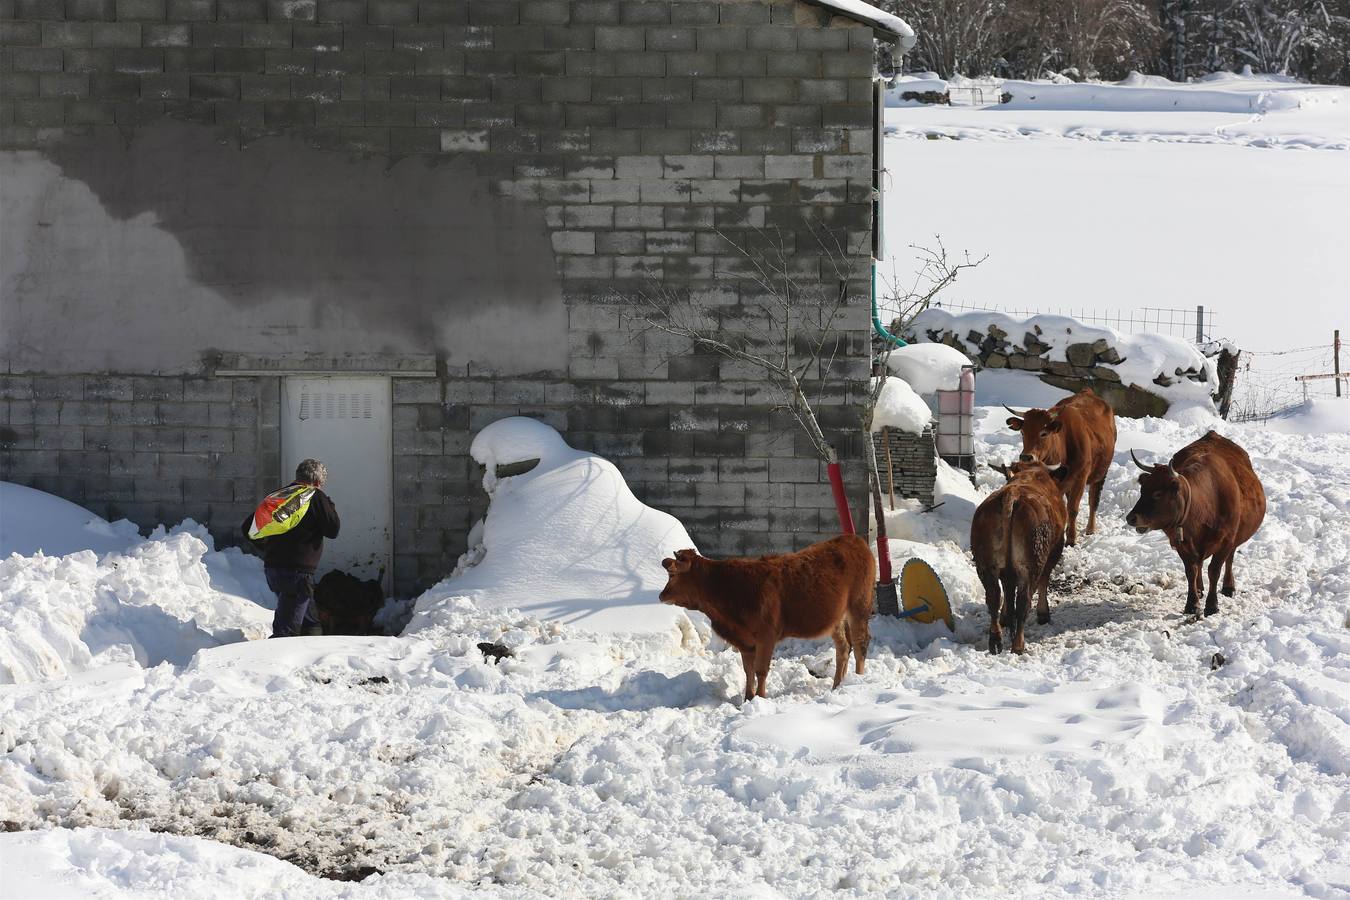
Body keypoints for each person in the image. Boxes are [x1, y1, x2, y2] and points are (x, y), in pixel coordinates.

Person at [241, 459, 341, 638]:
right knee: (285, 632)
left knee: (310, 620)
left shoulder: (279, 495)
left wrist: (268, 548)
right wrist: (328, 504)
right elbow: (333, 529)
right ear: (318, 483)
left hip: (273, 570)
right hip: (297, 574)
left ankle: (316, 654)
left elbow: (248, 527)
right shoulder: (315, 496)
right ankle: (268, 663)